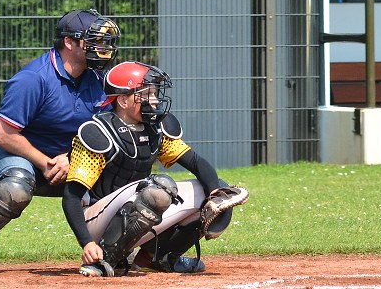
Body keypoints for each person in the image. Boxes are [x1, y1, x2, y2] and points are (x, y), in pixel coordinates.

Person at [0, 9, 120, 274]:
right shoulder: (33, 78)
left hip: (65, 160)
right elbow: (3, 134)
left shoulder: (99, 79)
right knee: (17, 187)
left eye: (105, 42)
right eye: (94, 40)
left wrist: (71, 159)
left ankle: (120, 254)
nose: (103, 48)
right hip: (13, 155)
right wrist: (46, 163)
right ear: (69, 42)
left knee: (120, 168)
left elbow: (104, 132)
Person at [62, 61, 249, 277]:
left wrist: (215, 193)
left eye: (154, 93)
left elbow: (195, 162)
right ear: (122, 100)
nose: (155, 99)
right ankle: (102, 260)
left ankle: (155, 258)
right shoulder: (98, 132)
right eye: (145, 94)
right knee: (159, 188)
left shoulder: (156, 127)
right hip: (94, 219)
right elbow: (71, 197)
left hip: (136, 204)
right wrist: (86, 242)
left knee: (216, 189)